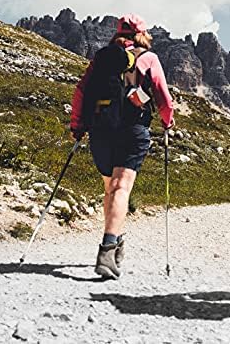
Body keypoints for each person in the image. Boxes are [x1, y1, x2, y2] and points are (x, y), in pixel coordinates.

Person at [70, 14, 174, 279]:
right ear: (142, 34)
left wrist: (78, 126)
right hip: (132, 129)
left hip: (101, 129)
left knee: (111, 188)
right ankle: (107, 249)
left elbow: (81, 91)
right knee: (121, 188)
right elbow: (162, 94)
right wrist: (167, 121)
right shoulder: (148, 58)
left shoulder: (102, 59)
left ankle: (116, 240)